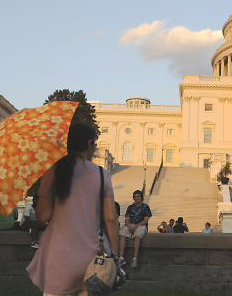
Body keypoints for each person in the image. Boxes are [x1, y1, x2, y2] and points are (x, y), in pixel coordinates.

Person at [27, 123, 119, 296]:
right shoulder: (102, 174)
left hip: (60, 257)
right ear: (90, 144)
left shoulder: (54, 171)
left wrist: (44, 193)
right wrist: (115, 255)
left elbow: (43, 216)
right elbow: (111, 218)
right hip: (93, 258)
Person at [119, 190, 152, 268]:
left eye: (138, 196)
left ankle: (135, 259)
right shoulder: (130, 207)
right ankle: (121, 257)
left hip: (141, 225)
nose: (136, 198)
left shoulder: (145, 207)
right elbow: (126, 219)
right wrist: (129, 225)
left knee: (137, 237)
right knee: (122, 234)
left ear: (141, 198)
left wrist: (135, 226)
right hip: (130, 225)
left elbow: (145, 220)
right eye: (135, 196)